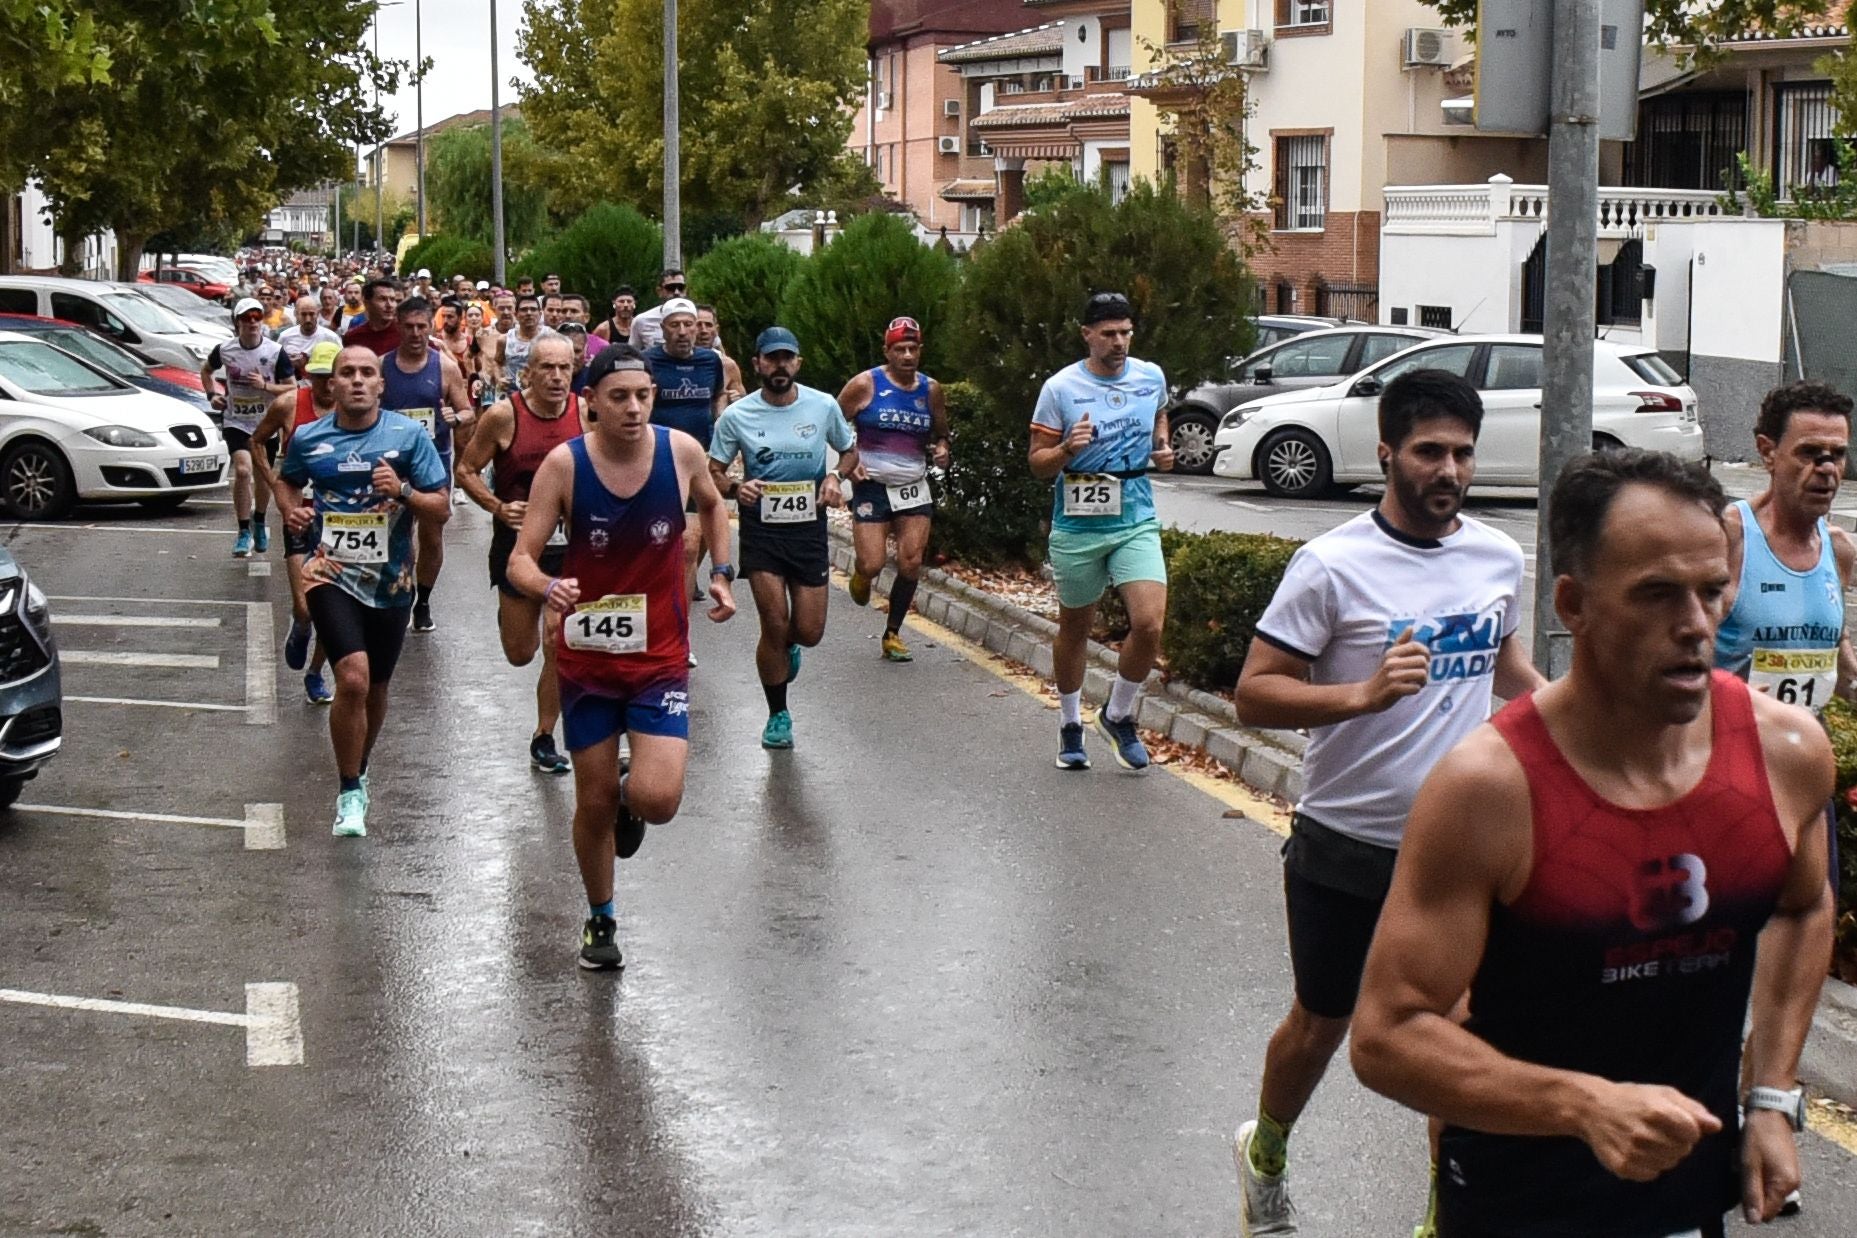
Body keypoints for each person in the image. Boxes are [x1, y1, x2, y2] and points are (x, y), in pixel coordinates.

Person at [1350, 449, 1836, 1237]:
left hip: (1688, 1200)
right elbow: (1385, 1036)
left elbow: (1802, 906)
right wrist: (1582, 1106)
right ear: (1572, 605)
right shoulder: (1487, 788)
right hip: (1517, 1205)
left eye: (1711, 590)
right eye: (1655, 594)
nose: (1695, 625)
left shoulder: (1787, 752)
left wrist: (1771, 1097)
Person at [1228, 369, 1540, 1236]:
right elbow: (1254, 694)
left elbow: (1505, 667)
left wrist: (1569, 715)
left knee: (1458, 1037)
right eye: (1429, 452)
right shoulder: (1330, 565)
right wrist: (1361, 695)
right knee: (1321, 1023)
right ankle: (1266, 1150)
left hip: (1459, 851)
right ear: (1386, 454)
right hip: (1348, 842)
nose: (1449, 470)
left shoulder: (1496, 556)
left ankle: (1444, 1218)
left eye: (1463, 454)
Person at [507, 342, 738, 971]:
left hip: (659, 655)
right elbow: (520, 558)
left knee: (658, 799)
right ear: (591, 403)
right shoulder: (565, 465)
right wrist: (548, 587)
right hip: (588, 661)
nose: (633, 408)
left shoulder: (681, 452)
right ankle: (601, 918)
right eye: (618, 398)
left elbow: (713, 504)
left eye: (642, 396)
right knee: (594, 801)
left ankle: (633, 801)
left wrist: (721, 571)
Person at [1712, 380, 1854, 1220]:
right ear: (1767, 452)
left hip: (1803, 788)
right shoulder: (1730, 537)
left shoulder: (1837, 550)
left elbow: (1830, 652)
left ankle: (1757, 1114)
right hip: (1722, 780)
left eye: (1836, 455)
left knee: (1798, 944)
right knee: (1718, 954)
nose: (1825, 469)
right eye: (1809, 453)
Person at [275, 346, 452, 838]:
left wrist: (404, 492)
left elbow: (440, 508)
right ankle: (349, 789)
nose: (356, 380)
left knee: (375, 688)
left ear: (380, 385)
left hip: (390, 582)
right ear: (331, 384)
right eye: (347, 372)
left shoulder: (408, 437)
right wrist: (292, 511)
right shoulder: (309, 437)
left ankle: (361, 763)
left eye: (367, 372)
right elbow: (287, 484)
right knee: (352, 679)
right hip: (329, 573)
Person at [1026, 291, 1175, 772]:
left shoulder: (1150, 376)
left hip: (1135, 517)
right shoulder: (1060, 388)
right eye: (1108, 334)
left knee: (1149, 624)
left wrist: (1162, 445)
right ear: (1087, 335)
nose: (1119, 342)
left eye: (1125, 332)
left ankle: (1117, 714)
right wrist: (1067, 448)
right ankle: (1070, 723)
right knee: (1076, 627)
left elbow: (1160, 411)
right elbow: (1038, 464)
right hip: (1078, 522)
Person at [707, 327, 857, 749]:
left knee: (808, 631)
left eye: (786, 358)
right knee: (773, 624)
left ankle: (791, 645)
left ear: (798, 363)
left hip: (808, 529)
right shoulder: (737, 416)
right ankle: (778, 714)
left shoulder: (822, 405)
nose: (780, 366)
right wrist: (737, 488)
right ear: (757, 364)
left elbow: (849, 451)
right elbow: (713, 471)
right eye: (771, 358)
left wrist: (835, 476)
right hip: (762, 531)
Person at [458, 335, 587, 774]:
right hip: (518, 548)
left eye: (564, 367)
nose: (557, 376)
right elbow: (466, 470)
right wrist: (497, 507)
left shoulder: (585, 414)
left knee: (558, 640)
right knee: (521, 652)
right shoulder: (503, 415)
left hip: (570, 549)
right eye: (547, 368)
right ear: (527, 373)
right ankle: (510, 615)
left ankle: (544, 735)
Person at [837, 316, 950, 662]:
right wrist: (848, 462)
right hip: (872, 486)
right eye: (900, 349)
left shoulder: (930, 390)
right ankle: (862, 575)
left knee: (911, 562)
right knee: (872, 563)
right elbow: (832, 424)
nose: (907, 355)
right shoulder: (864, 384)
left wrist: (942, 449)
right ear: (887, 352)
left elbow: (942, 433)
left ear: (920, 351)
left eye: (913, 348)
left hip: (913, 487)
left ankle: (892, 634)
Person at [381, 296, 475, 633]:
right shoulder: (382, 366)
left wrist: (455, 417)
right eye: (409, 327)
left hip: (433, 463)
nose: (416, 333)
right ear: (398, 327)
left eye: (422, 326)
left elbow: (468, 412)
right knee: (394, 533)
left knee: (432, 536)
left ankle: (423, 601)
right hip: (391, 463)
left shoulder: (445, 366)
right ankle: (397, 595)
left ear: (429, 327)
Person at [251, 340, 338, 703]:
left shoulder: (356, 410)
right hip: (298, 516)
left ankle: (316, 673)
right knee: (306, 606)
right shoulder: (289, 404)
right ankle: (300, 622)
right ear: (308, 376)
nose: (327, 385)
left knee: (331, 611)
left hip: (340, 520)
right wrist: (275, 485)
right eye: (320, 377)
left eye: (333, 377)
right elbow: (257, 441)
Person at [645, 297, 727, 621]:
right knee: (654, 543)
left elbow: (718, 395)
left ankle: (678, 628)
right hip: (655, 462)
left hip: (697, 462)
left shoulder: (711, 362)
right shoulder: (647, 361)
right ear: (663, 329)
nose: (682, 331)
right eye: (674, 325)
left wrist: (720, 423)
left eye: (688, 325)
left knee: (690, 546)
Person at [203, 297, 295, 558]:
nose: (253, 322)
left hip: (265, 423)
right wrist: (212, 395)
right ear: (238, 322)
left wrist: (265, 386)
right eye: (247, 318)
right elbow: (206, 371)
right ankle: (243, 530)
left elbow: (292, 387)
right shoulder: (225, 349)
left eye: (257, 317)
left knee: (262, 474)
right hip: (236, 421)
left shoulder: (274, 352)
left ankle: (259, 520)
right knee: (243, 470)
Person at [498, 293, 559, 396]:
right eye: (524, 309)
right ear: (516, 314)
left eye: (533, 309)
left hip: (542, 395)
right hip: (512, 396)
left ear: (540, 314)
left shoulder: (552, 337)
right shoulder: (504, 339)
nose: (529, 313)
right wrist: (499, 377)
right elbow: (497, 362)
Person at [277, 295, 342, 380]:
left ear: (317, 314)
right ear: (296, 314)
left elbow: (342, 364)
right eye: (303, 314)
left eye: (311, 314)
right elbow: (276, 364)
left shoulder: (331, 338)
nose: (308, 319)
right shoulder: (285, 337)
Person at [693, 304, 746, 404]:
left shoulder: (727, 365)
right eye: (698, 324)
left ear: (716, 330)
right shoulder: (675, 363)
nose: (704, 330)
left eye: (709, 325)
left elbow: (745, 404)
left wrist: (736, 399)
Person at [628, 269, 687, 351]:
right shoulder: (642, 321)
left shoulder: (698, 318)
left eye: (681, 288)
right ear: (659, 291)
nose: (676, 292)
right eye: (671, 288)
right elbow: (633, 353)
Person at [342, 278, 402, 355]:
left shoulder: (405, 334)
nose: (389, 305)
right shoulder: (353, 337)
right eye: (382, 299)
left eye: (392, 299)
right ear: (367, 303)